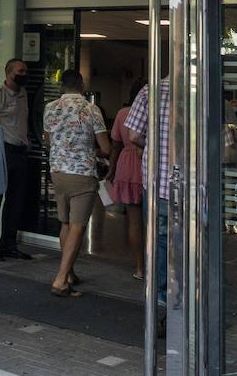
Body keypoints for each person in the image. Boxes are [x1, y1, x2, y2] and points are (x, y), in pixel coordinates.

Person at [42, 70, 109, 298]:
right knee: (78, 226)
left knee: (65, 223)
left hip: (58, 171)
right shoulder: (91, 109)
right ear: (81, 84)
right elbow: (105, 147)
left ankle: (69, 273)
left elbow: (49, 139)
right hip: (82, 173)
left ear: (62, 85)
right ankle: (61, 279)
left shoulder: (51, 107)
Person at [125, 74, 170, 303]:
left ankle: (161, 298)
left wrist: (151, 143)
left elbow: (133, 134)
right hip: (194, 187)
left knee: (159, 241)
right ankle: (192, 294)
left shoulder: (149, 91)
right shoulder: (203, 90)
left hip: (158, 183)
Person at [0, 57, 33, 261]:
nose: (24, 75)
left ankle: (9, 245)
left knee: (16, 201)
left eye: (25, 71)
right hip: (3, 150)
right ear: (9, 73)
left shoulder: (24, 95)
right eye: (20, 71)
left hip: (21, 151)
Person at [106, 80, 145, 280]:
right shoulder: (154, 110)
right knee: (156, 221)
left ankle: (139, 267)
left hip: (126, 166)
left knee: (134, 220)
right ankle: (157, 265)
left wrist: (111, 170)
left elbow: (115, 145)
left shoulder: (122, 113)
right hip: (147, 163)